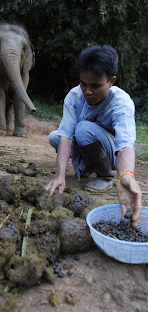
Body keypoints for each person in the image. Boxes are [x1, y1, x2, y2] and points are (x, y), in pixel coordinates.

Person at [45, 45, 142, 228]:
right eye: (83, 83)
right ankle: (88, 166)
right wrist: (60, 175)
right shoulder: (74, 96)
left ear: (111, 81)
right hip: (89, 142)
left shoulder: (121, 103)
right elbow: (65, 136)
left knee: (82, 130)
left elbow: (125, 146)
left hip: (112, 154)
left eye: (95, 86)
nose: (88, 91)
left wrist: (126, 175)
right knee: (54, 137)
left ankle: (105, 176)